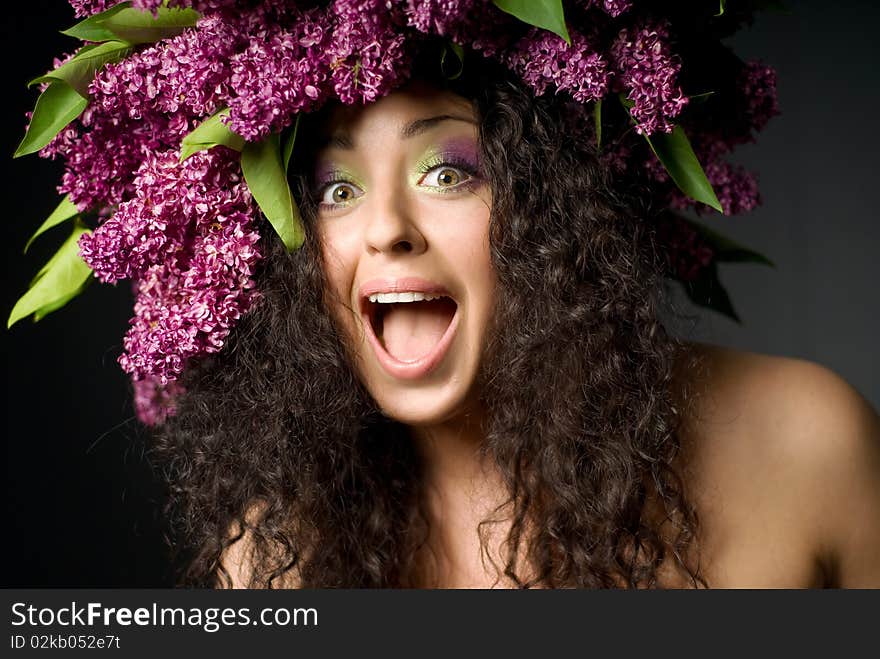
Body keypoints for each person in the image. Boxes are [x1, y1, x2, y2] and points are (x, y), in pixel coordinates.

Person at [12, 1, 880, 588]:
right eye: (334, 190)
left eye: (447, 171)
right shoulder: (269, 557)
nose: (386, 225)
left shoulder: (806, 440)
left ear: (558, 209)